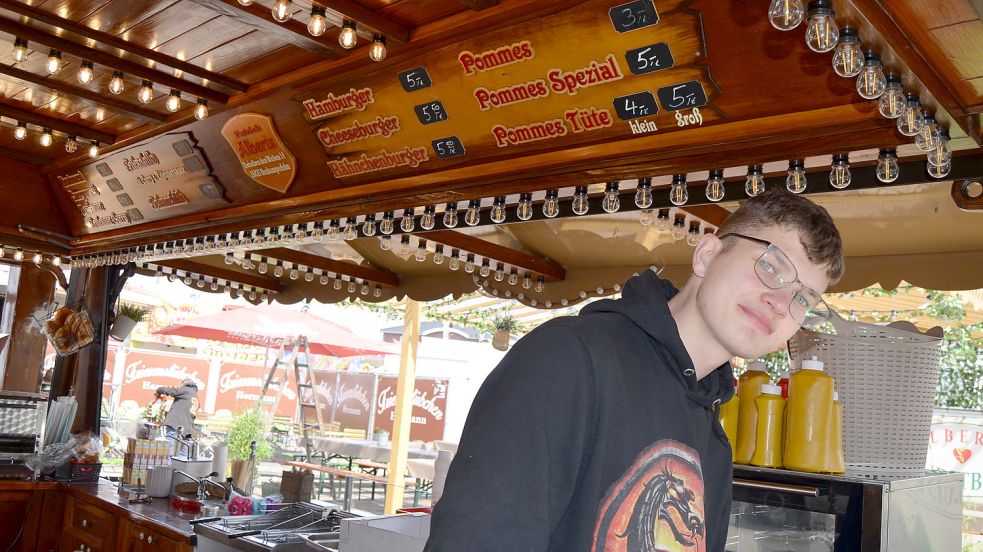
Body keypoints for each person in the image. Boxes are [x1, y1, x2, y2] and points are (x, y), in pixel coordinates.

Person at [424, 188, 844, 551]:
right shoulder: (569, 359)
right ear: (707, 254)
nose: (781, 302)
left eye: (803, 298)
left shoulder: (713, 441)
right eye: (771, 266)